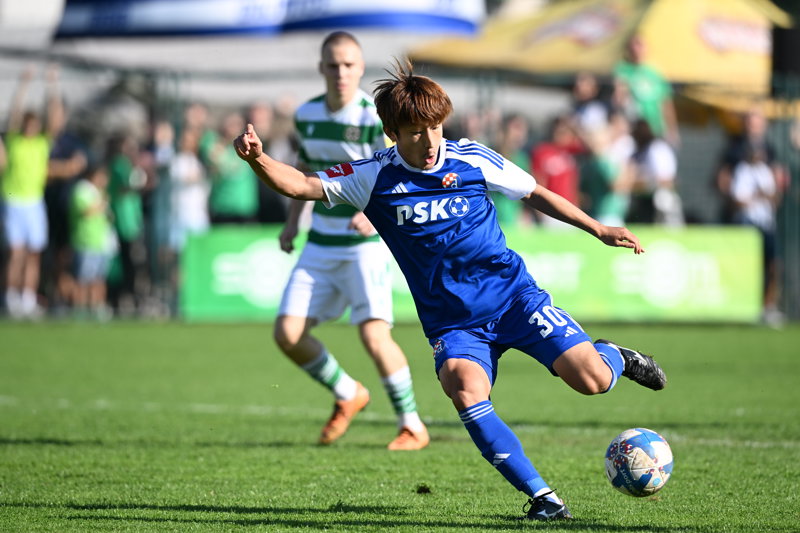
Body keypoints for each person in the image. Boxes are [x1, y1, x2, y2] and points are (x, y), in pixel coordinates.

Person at [233, 58, 667, 521]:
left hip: (514, 299)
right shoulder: (373, 176)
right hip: (454, 324)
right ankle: (545, 499)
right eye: (415, 132)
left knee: (593, 381)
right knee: (463, 387)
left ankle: (615, 356)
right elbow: (301, 184)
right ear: (391, 132)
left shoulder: (472, 158)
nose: (430, 142)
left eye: (436, 128)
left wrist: (598, 228)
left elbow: (533, 192)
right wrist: (258, 158)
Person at [273, 32, 429, 451]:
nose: (340, 72)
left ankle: (412, 424)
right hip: (320, 243)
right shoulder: (306, 114)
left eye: (348, 65)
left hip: (363, 247)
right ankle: (348, 392)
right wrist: (293, 221)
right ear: (321, 68)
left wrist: (375, 215)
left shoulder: (371, 116)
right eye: (333, 64)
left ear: (360, 69)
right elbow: (305, 169)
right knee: (287, 334)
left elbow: (397, 168)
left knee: (374, 336)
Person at [1, 65, 64, 318]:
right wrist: (24, 84)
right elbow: (15, 112)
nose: (31, 129)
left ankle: (28, 298)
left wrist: (52, 85)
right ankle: (11, 297)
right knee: (16, 254)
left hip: (34, 202)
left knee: (33, 253)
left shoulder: (41, 144)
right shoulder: (14, 142)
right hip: (13, 201)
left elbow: (55, 119)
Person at [613, 35, 679, 148]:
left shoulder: (655, 72)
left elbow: (666, 103)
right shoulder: (622, 69)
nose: (635, 49)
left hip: (656, 128)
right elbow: (619, 100)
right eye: (633, 45)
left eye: (639, 44)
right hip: (634, 129)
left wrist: (672, 130)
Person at [69, 165, 115, 320]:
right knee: (83, 278)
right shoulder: (82, 190)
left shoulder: (99, 192)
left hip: (101, 242)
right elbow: (86, 211)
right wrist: (101, 203)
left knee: (99, 278)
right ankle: (80, 308)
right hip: (85, 241)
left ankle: (97, 307)